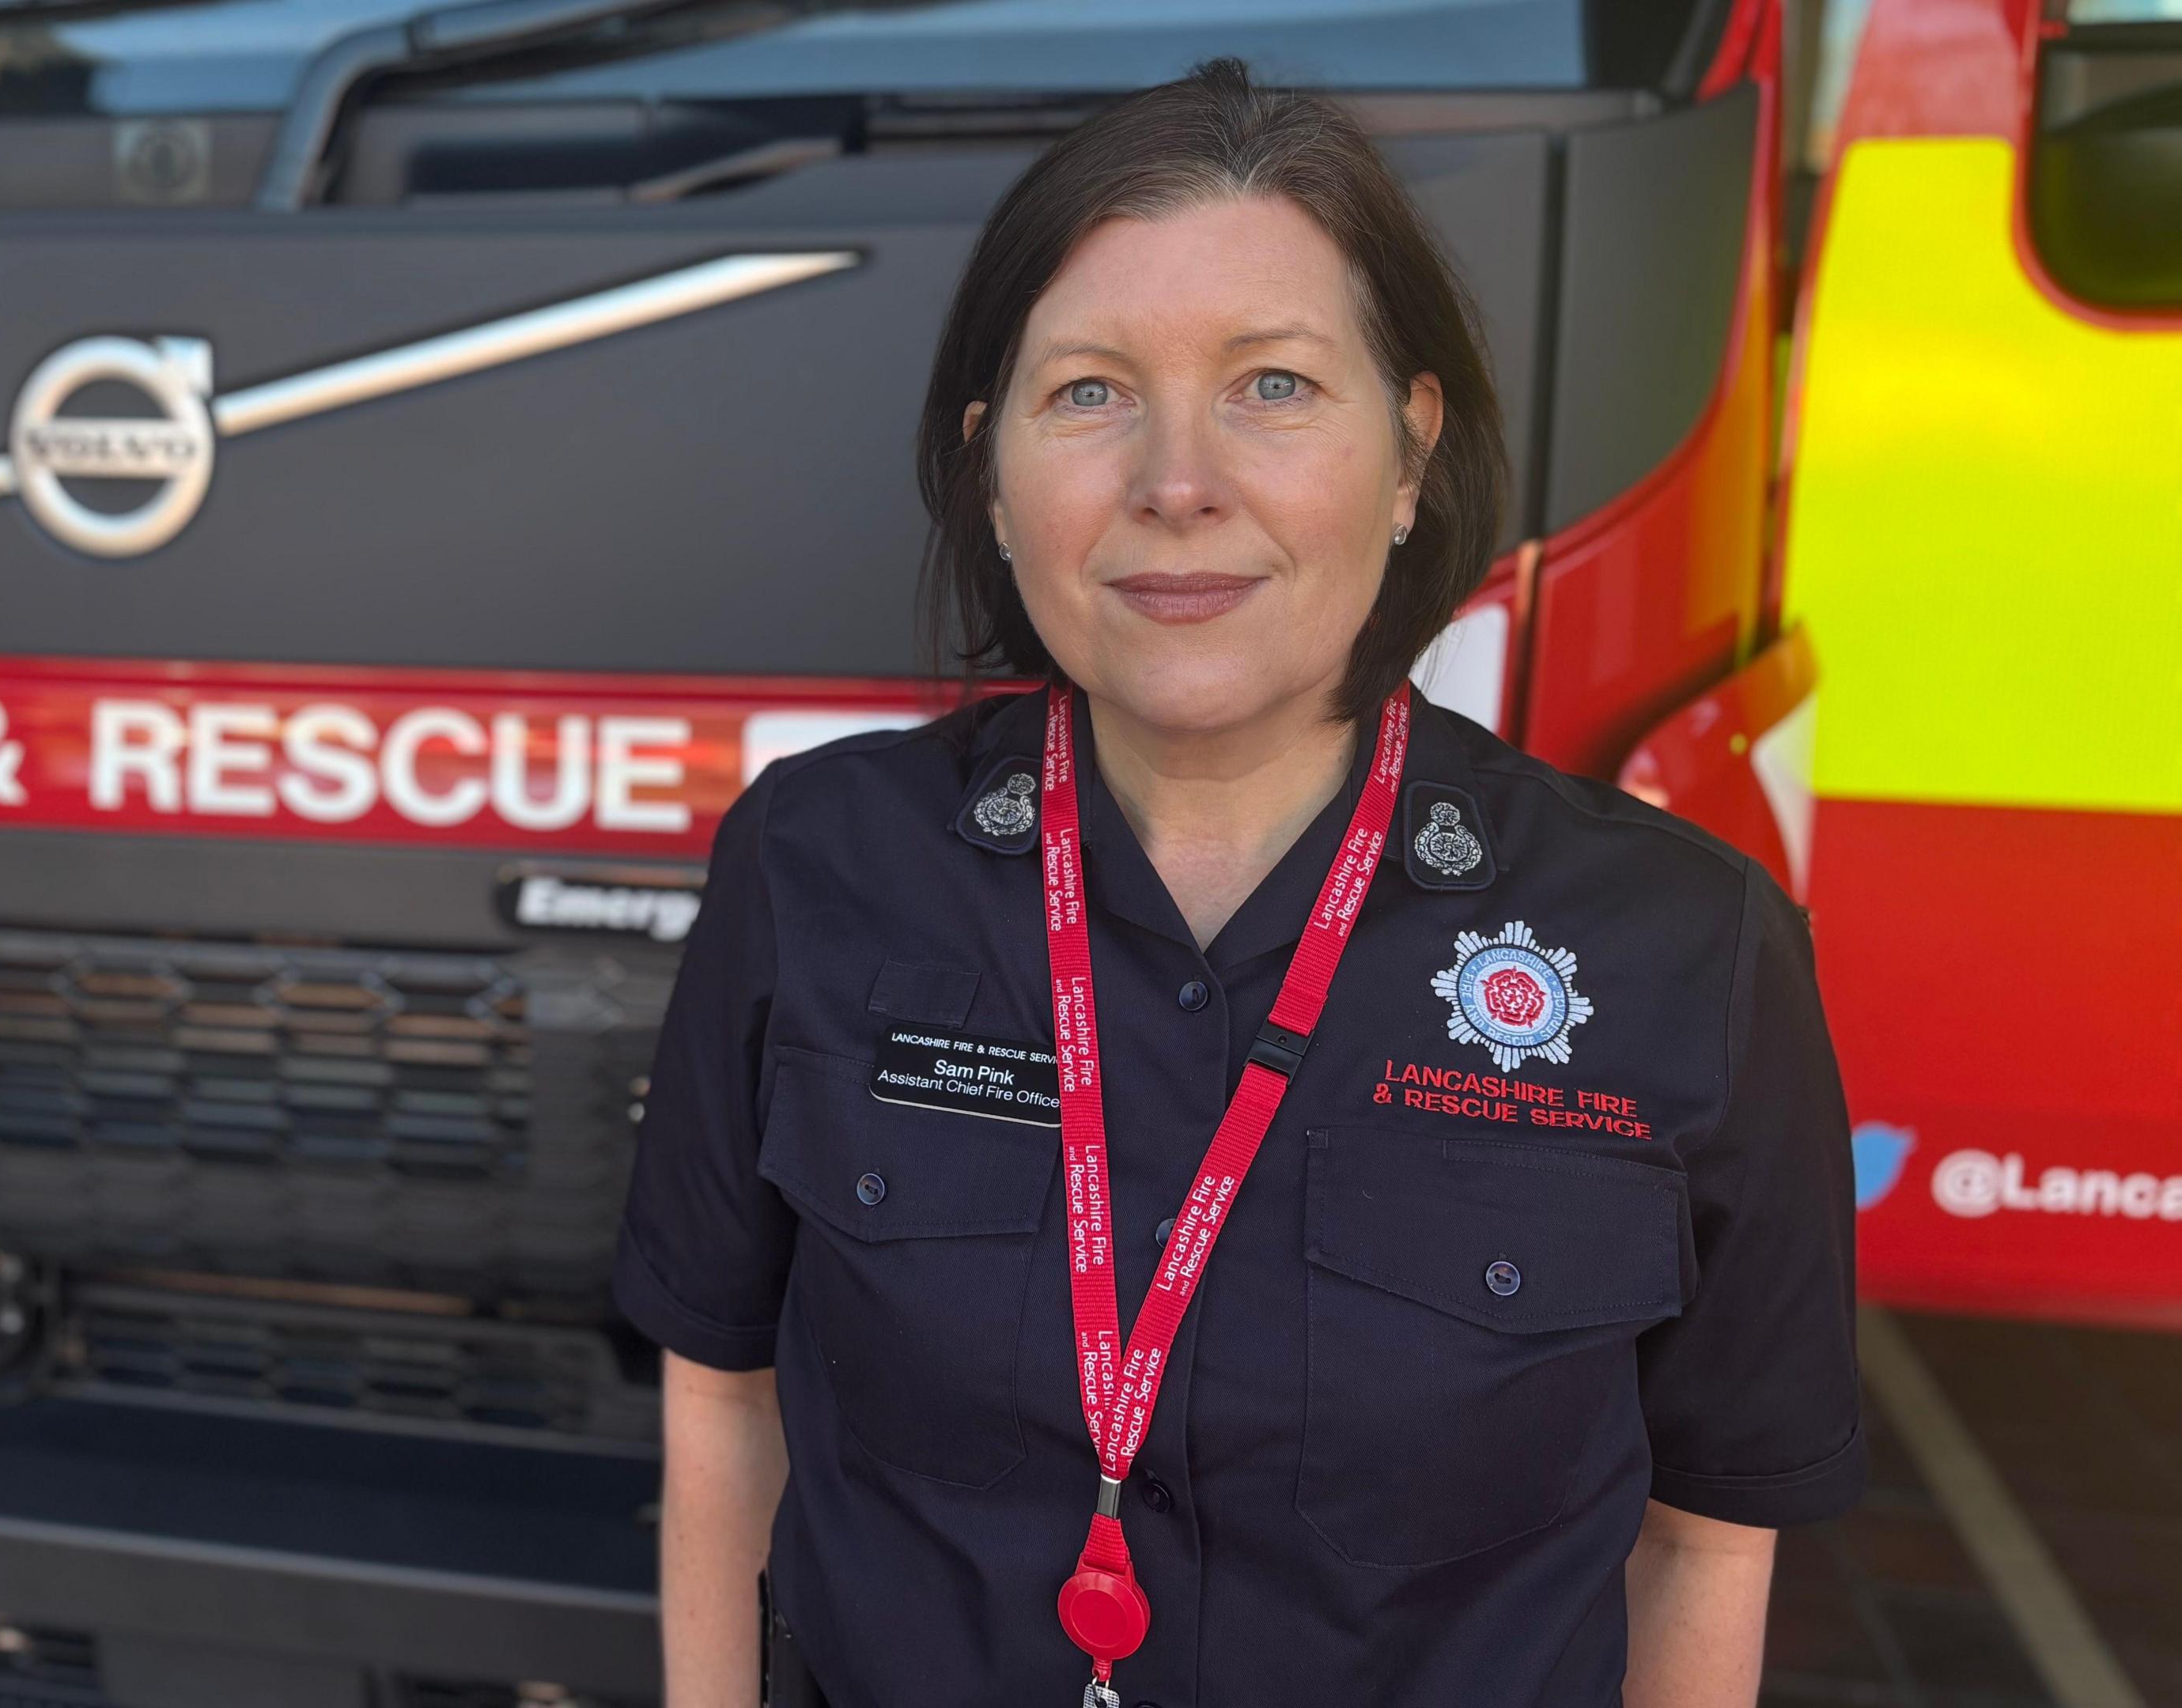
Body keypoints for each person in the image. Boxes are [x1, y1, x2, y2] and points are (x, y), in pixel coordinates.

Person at [613, 59, 1864, 1708]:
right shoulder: (813, 866)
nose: (1177, 479)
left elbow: (1706, 1539)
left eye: (1274, 386)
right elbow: (727, 1402)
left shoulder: (1686, 950)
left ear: (1411, 454)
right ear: (993, 481)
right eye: (1090, 393)